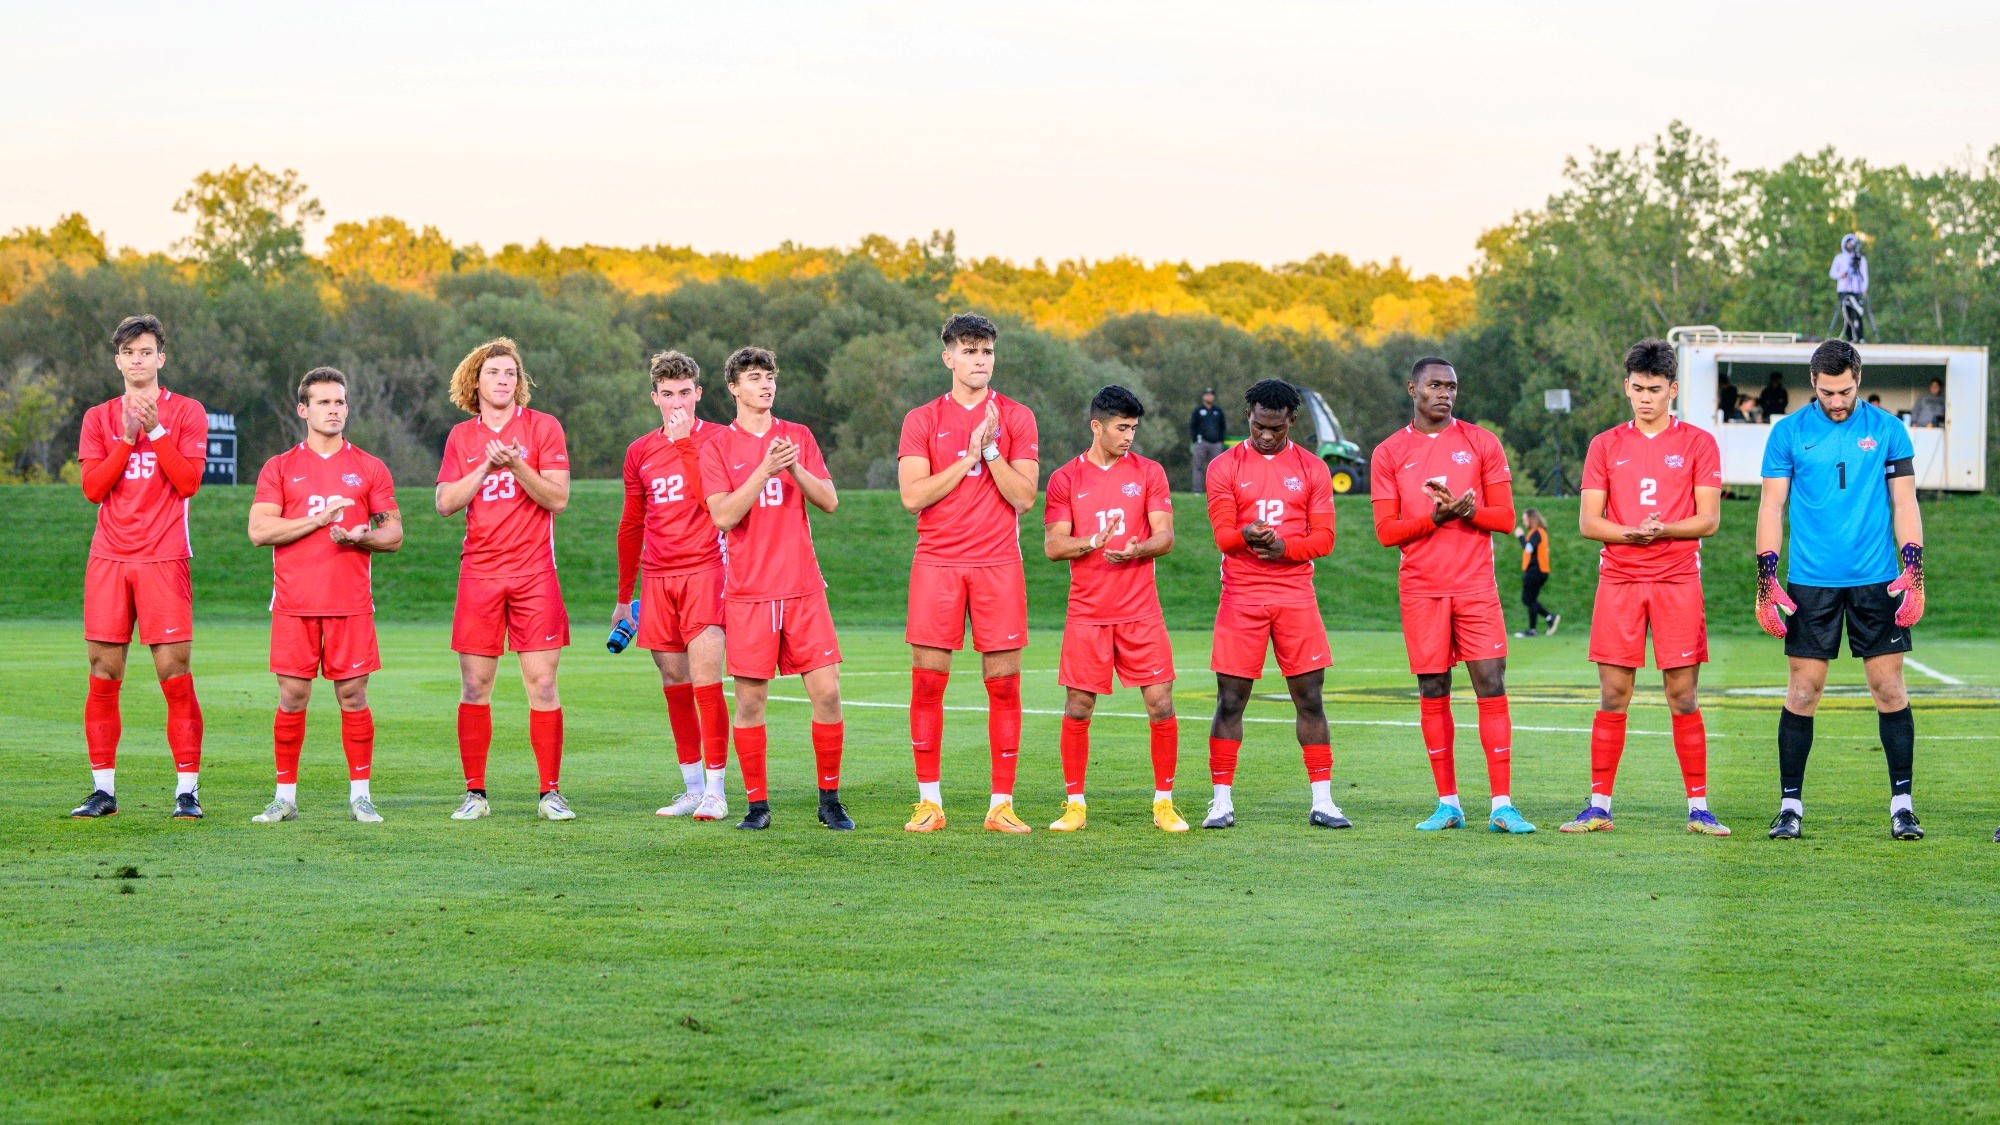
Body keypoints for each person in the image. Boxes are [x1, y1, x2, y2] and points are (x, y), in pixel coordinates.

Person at [1756, 338, 1926, 840]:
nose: (1836, 401)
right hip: (1811, 583)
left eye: (1845, 391)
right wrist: (1766, 576)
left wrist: (1913, 566)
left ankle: (1902, 805)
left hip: (1877, 580)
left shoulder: (1888, 430)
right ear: (1813, 383)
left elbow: (1905, 504)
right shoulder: (1787, 434)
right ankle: (1790, 807)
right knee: (1803, 691)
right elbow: (1771, 508)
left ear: (1859, 381)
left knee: (1889, 689)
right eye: (1828, 392)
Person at [1559, 339, 1730, 836]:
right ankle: (1598, 806)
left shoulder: (1699, 443)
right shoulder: (1605, 444)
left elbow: (1710, 519)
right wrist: (1631, 534)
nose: (1645, 399)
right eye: (1637, 389)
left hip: (1677, 578)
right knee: (1614, 693)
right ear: (1626, 387)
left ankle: (1698, 807)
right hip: (1620, 579)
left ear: (1673, 389)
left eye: (1655, 389)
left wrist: (1664, 530)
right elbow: (1590, 522)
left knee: (1683, 693)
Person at [1371, 358, 1532, 834]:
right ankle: (1448, 804)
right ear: (1412, 388)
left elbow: (1505, 518)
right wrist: (1435, 520)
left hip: (1476, 585)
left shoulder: (1481, 442)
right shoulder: (1388, 452)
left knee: (1490, 681)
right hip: (1421, 588)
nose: (1445, 393)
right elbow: (1386, 532)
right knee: (1433, 688)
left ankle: (1502, 804)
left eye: (1452, 386)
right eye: (1435, 385)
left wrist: (1469, 511)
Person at [896, 313, 1040, 834]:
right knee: (928, 684)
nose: (980, 361)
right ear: (948, 358)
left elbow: (1024, 497)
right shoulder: (922, 419)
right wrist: (967, 457)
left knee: (1003, 686)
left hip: (999, 564)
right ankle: (929, 802)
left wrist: (994, 449)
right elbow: (912, 497)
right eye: (970, 351)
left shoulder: (1017, 417)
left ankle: (1000, 804)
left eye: (987, 352)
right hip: (937, 563)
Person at [699, 346, 851, 832]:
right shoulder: (718, 447)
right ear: (734, 389)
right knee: (749, 703)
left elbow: (829, 501)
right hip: (749, 593)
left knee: (827, 693)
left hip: (803, 588)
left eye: (770, 377)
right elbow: (723, 515)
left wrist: (792, 468)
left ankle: (829, 800)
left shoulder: (798, 437)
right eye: (755, 378)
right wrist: (764, 470)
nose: (765, 385)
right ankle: (757, 806)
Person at [245, 367, 402, 824]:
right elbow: (259, 530)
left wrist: (360, 537)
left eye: (340, 402)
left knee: (353, 696)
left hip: (350, 603)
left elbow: (393, 533)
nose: (334, 410)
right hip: (294, 604)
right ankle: (285, 797)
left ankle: (360, 796)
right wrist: (315, 522)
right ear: (303, 410)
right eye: (324, 402)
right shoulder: (280, 467)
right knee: (292, 696)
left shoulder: (369, 468)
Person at [70, 314, 210, 820]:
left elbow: (188, 480)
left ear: (161, 358)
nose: (137, 360)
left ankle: (187, 791)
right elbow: (93, 489)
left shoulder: (189, 412)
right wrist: (128, 437)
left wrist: (154, 430)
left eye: (146, 351)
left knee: (174, 673)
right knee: (103, 672)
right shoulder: (98, 417)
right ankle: (103, 790)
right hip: (109, 558)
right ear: (118, 362)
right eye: (129, 353)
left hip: (164, 557)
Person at [435, 338, 575, 821]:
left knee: (543, 684)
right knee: (475, 685)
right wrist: (486, 466)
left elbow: (557, 499)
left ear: (520, 382)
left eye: (511, 373)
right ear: (476, 381)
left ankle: (550, 793)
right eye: (494, 372)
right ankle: (475, 794)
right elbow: (446, 503)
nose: (503, 380)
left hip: (535, 572)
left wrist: (516, 463)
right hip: (480, 572)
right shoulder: (460, 438)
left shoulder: (544, 428)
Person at [1203, 379, 1345, 830]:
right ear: (1249, 417)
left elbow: (1324, 539)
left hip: (1294, 595)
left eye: (1275, 428)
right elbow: (1222, 536)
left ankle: (1323, 801)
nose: (1265, 435)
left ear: (1291, 422)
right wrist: (1245, 536)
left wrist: (1284, 547)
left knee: (1310, 698)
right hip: (1241, 595)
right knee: (1230, 701)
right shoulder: (1224, 466)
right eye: (1258, 425)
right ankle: (1221, 801)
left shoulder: (1313, 469)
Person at [1042, 385, 1185, 833]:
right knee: (1079, 706)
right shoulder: (1066, 478)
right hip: (1087, 612)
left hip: (1141, 610)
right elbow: (1053, 545)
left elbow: (1166, 535)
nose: (1129, 437)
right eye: (1121, 428)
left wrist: (1140, 548)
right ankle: (1075, 805)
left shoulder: (1149, 473)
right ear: (1096, 426)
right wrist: (1091, 543)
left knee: (1160, 703)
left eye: (1133, 428)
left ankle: (1164, 802)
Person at [617, 350, 732, 821]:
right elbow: (631, 524)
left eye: (685, 392)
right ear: (654, 397)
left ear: (699, 394)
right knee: (674, 681)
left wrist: (685, 443)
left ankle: (717, 790)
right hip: (658, 576)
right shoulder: (640, 451)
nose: (677, 402)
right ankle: (690, 787)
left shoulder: (720, 441)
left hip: (707, 568)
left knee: (707, 681)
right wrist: (625, 598)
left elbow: (712, 504)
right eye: (667, 394)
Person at [1512, 509, 1558, 637]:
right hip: (1538, 570)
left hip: (1536, 570)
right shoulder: (1537, 532)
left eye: (1526, 519)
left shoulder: (1537, 532)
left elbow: (1529, 548)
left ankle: (1533, 629)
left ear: (1532, 519)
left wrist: (1520, 536)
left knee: (1529, 599)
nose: (1524, 522)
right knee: (1529, 599)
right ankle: (1549, 618)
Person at [1830, 233, 1870, 343]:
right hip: (1843, 290)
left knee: (1858, 312)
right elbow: (1832, 273)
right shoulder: (1839, 258)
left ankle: (1860, 337)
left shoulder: (1860, 259)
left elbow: (1864, 275)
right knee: (1846, 314)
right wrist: (1840, 275)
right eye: (1848, 243)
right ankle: (1850, 337)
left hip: (1856, 289)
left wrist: (1864, 288)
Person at [1189, 387, 1227, 493]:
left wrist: (1221, 440)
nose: (1209, 396)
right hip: (1201, 443)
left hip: (1216, 444)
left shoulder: (1218, 411)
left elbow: (1223, 427)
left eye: (1211, 394)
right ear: (1203, 396)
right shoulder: (1198, 411)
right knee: (1198, 467)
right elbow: (1192, 426)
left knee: (1216, 469)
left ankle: (1214, 490)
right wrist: (1195, 440)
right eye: (1207, 394)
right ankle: (1197, 490)